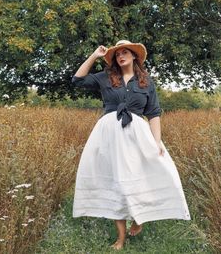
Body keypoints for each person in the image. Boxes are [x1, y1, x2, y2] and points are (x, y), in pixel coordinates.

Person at [72, 40, 191, 250]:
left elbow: (153, 113)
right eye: (117, 54)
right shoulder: (106, 77)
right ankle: (121, 237)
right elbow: (78, 80)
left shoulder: (146, 82)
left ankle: (139, 218)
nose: (121, 56)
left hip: (137, 135)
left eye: (125, 52)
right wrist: (94, 55)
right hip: (109, 135)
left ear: (134, 56)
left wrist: (157, 142)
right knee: (116, 182)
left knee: (143, 177)